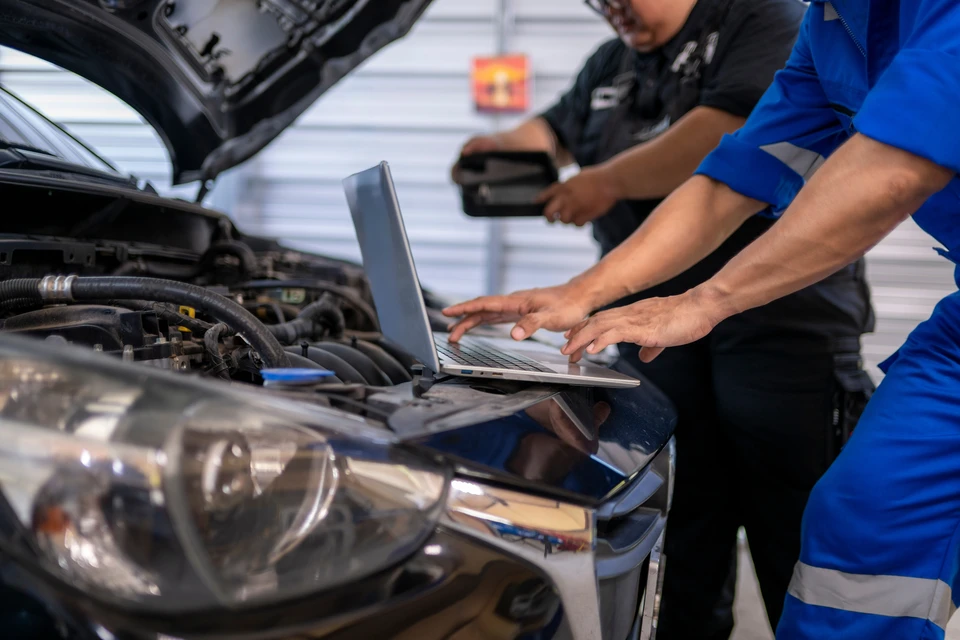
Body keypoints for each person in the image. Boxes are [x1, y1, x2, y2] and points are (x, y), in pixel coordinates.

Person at [446, 0, 960, 638]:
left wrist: (703, 301)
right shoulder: (828, 27)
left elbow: (893, 169)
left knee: (795, 509)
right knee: (859, 520)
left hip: (779, 333)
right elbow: (735, 177)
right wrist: (582, 292)